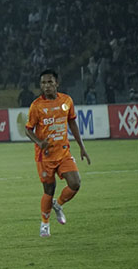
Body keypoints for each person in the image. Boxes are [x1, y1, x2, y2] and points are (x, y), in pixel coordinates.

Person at [24, 69, 91, 238]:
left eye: (49, 82)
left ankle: (58, 204)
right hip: (44, 156)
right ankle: (44, 223)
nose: (46, 86)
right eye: (43, 83)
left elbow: (72, 122)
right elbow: (28, 130)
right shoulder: (36, 106)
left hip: (63, 152)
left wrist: (82, 147)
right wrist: (39, 142)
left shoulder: (67, 101)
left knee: (75, 183)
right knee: (49, 189)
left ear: (57, 83)